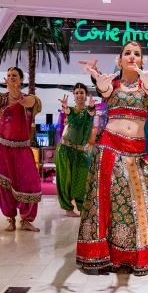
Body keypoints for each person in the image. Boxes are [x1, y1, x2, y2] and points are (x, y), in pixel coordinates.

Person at [76, 41, 148, 276]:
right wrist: (98, 80)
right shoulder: (113, 85)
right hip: (110, 149)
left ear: (142, 61)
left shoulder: (146, 85)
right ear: (119, 60)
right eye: (127, 53)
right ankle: (105, 256)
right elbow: (104, 90)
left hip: (137, 154)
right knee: (113, 205)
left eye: (137, 54)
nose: (131, 56)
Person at [0, 67, 42, 232]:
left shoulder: (31, 99)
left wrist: (15, 92)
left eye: (15, 76)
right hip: (3, 149)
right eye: (9, 75)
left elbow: (25, 102)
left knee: (30, 182)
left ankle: (26, 220)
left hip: (23, 149)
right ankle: (10, 218)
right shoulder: (1, 98)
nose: (11, 78)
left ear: (21, 80)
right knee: (3, 186)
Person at [55, 83, 95, 217]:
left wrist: (91, 106)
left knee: (82, 180)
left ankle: (82, 207)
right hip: (65, 150)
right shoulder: (70, 110)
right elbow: (70, 116)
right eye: (76, 93)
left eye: (81, 92)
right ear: (74, 95)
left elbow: (90, 113)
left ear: (86, 95)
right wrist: (66, 107)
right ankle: (67, 208)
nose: (79, 95)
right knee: (65, 179)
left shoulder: (90, 111)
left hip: (82, 152)